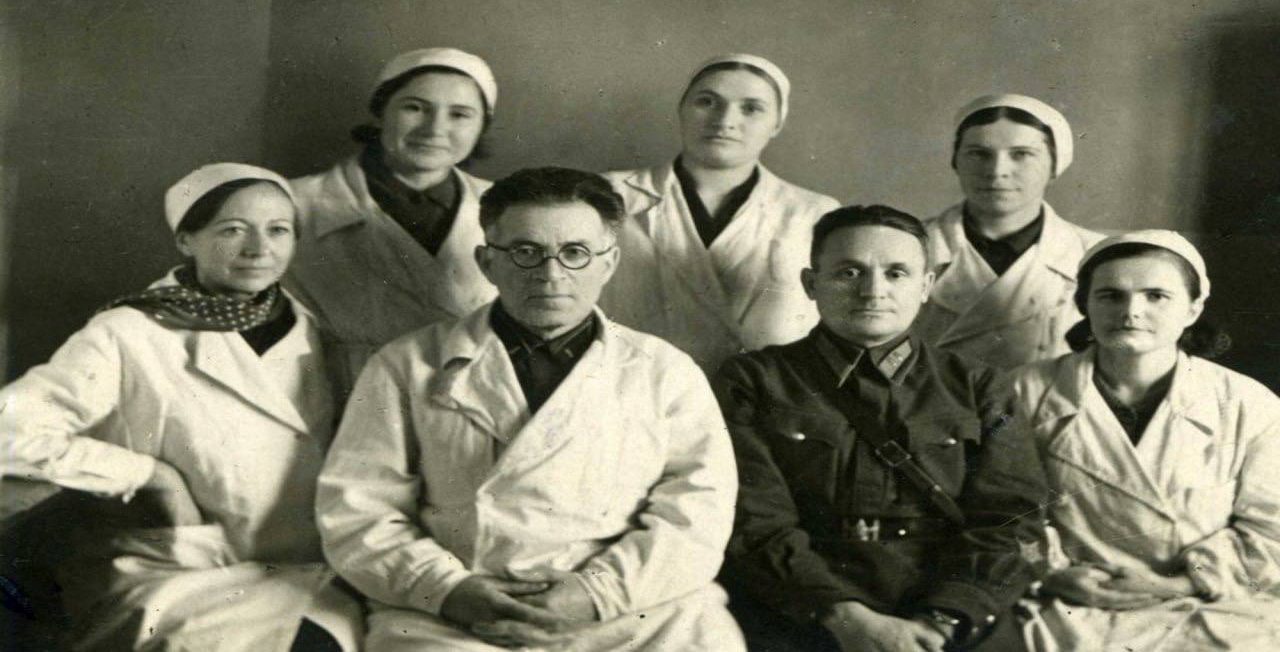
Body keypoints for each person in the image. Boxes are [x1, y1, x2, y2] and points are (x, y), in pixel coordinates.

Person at [316, 167, 744, 651]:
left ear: (609, 263)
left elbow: (698, 513)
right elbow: (358, 509)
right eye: (526, 252)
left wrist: (595, 594)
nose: (551, 274)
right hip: (458, 611)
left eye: (576, 252)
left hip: (633, 609)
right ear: (487, 262)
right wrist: (449, 590)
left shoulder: (665, 371)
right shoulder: (406, 364)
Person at [0, 164, 361, 651]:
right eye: (232, 230)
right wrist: (151, 476)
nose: (259, 249)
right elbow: (10, 433)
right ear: (186, 240)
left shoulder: (315, 331)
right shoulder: (130, 331)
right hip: (177, 571)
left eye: (278, 230)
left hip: (304, 568)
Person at [715, 204, 1046, 652]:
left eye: (896, 273)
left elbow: (1013, 520)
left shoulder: (979, 386)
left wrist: (940, 622)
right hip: (801, 607)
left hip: (952, 608)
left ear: (926, 286)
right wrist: (844, 617)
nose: (873, 291)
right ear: (811, 284)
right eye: (849, 272)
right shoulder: (753, 381)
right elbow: (754, 521)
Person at [1013, 230, 1280, 651]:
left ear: (1192, 309)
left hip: (1208, 602)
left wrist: (1178, 583)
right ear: (1084, 305)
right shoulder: (1024, 391)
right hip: (1067, 600)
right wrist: (1051, 573)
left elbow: (1271, 531)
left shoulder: (1249, 403)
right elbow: (1000, 510)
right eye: (1110, 296)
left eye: (1156, 296)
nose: (1131, 312)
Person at [600, 53, 839, 372]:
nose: (724, 120)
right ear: (682, 109)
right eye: (707, 102)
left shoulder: (813, 212)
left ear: (777, 123)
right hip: (639, 385)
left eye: (751, 108)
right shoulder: (610, 194)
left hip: (764, 393)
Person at [287, 47, 498, 387]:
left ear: (480, 127)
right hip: (341, 396)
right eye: (415, 108)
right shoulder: (294, 204)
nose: (434, 129)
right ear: (380, 112)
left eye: (460, 114)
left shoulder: (507, 208)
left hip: (469, 398)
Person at [915, 94, 1104, 370]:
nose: (997, 171)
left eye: (1021, 154)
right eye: (979, 154)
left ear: (1055, 164)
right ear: (956, 161)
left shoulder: (1097, 254)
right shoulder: (908, 246)